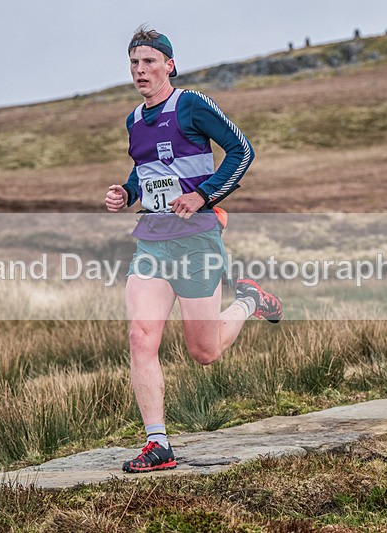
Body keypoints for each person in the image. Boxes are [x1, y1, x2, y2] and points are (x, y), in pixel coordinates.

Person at [105, 26, 282, 473]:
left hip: (197, 239)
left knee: (204, 353)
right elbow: (144, 173)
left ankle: (249, 300)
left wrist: (203, 196)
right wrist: (126, 194)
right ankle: (158, 443)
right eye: (133, 63)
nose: (140, 70)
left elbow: (242, 151)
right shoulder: (133, 120)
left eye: (148, 62)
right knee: (140, 337)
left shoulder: (190, 104)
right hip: (152, 241)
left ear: (169, 65)